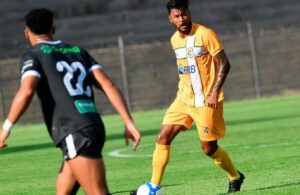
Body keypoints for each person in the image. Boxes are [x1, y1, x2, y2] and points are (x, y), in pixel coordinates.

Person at [0, 8, 141, 195]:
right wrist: (128, 122)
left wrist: (5, 129)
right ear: (53, 29)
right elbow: (108, 85)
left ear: (27, 33)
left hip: (74, 130)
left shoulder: (33, 55)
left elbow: (26, 91)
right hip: (91, 125)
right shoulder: (78, 51)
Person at [132, 0, 245, 194]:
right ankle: (153, 186)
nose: (182, 19)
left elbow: (225, 64)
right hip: (183, 100)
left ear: (189, 13)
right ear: (170, 19)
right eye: (177, 16)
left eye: (184, 14)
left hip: (206, 102)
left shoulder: (205, 34)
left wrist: (214, 92)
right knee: (163, 137)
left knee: (209, 148)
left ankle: (235, 176)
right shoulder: (174, 40)